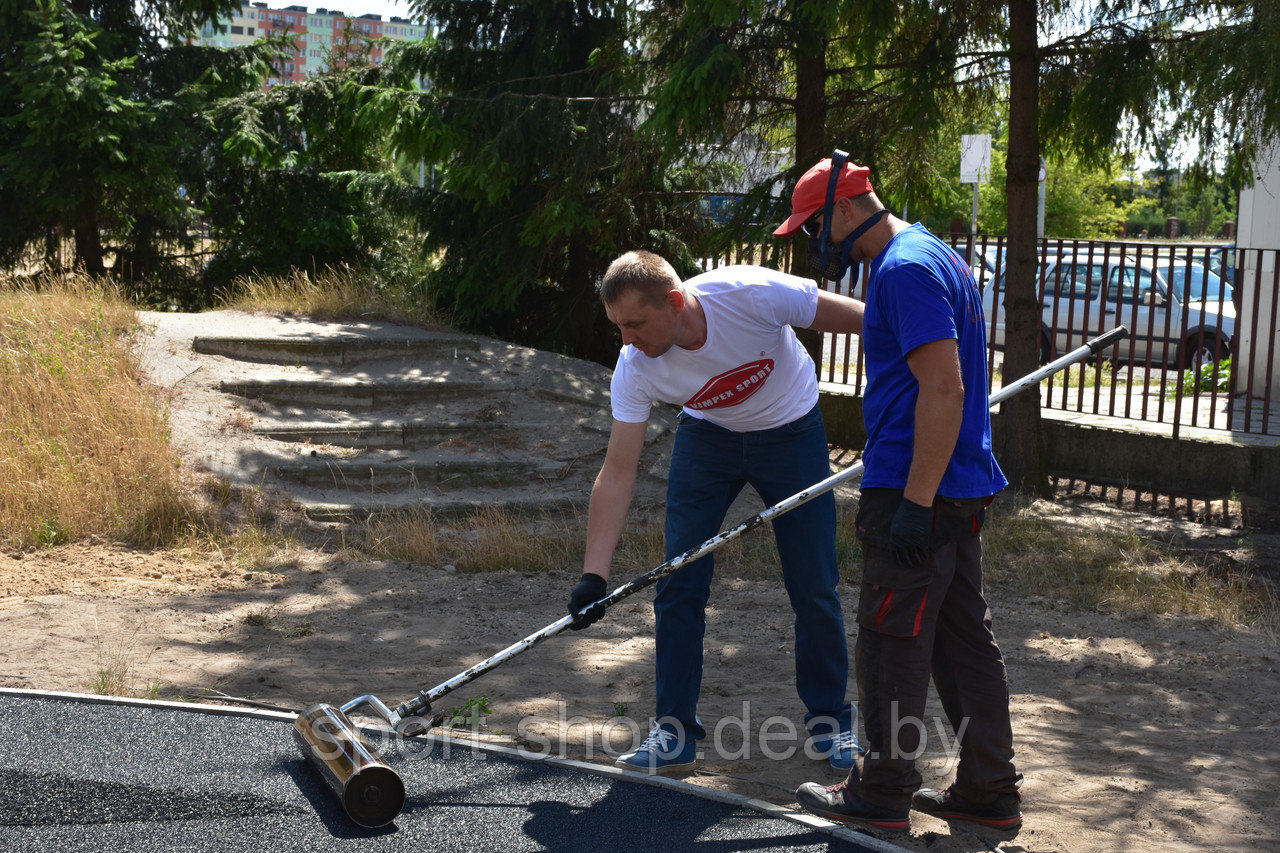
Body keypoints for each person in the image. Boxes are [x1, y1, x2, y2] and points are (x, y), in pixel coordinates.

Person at [778, 154, 1023, 833]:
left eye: (816, 224)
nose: (815, 239)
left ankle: (880, 792)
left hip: (919, 488)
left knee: (891, 639)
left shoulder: (905, 269)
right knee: (962, 639)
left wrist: (915, 502)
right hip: (959, 484)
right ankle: (989, 785)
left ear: (848, 206)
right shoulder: (935, 254)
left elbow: (945, 388)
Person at [566, 249, 865, 775]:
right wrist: (594, 576)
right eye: (617, 326)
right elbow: (617, 474)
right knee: (678, 580)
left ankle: (830, 724)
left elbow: (867, 320)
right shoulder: (634, 369)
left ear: (675, 302)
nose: (625, 339)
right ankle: (674, 734)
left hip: (791, 431)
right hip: (708, 439)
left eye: (634, 323)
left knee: (814, 582)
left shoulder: (749, 293)